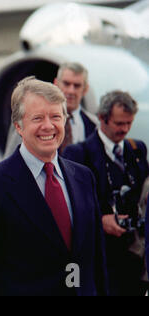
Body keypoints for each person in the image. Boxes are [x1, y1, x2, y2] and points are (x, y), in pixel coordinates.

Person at [0, 77, 107, 296]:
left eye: (56, 117)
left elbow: (96, 260)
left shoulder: (84, 177)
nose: (48, 126)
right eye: (37, 118)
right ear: (18, 126)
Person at [63, 90, 149, 296]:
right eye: (119, 124)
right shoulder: (77, 154)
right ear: (102, 118)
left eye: (129, 123)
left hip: (135, 256)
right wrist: (101, 220)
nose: (125, 129)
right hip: (101, 257)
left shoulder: (137, 149)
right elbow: (69, 206)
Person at [54, 62, 97, 152]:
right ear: (56, 84)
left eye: (77, 86)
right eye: (66, 84)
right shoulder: (38, 121)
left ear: (85, 89)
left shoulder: (94, 126)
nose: (71, 91)